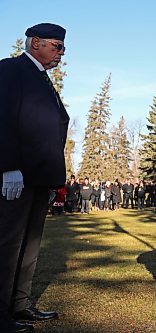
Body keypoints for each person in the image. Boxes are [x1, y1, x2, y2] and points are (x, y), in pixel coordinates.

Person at [0, 23, 68, 333]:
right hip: (18, 173)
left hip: (40, 177)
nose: (61, 53)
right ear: (35, 42)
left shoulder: (44, 80)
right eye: (57, 45)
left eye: (63, 47)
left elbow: (53, 129)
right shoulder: (12, 69)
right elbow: (3, 117)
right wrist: (8, 166)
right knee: (8, 244)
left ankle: (20, 304)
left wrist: (54, 180)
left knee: (30, 243)